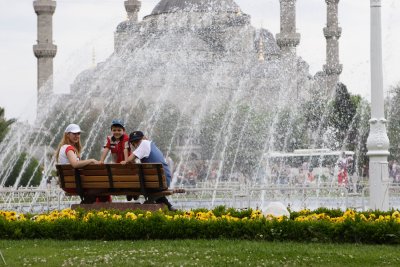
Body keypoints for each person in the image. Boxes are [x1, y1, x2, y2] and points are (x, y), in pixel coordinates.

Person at [121, 131, 176, 211]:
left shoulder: (144, 143)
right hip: (162, 180)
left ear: (143, 138)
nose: (136, 144)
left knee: (134, 181)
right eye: (133, 143)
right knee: (151, 186)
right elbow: (133, 162)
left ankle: (131, 192)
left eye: (137, 141)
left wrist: (126, 149)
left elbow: (128, 160)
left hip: (158, 181)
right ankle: (169, 206)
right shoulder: (150, 144)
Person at [55, 124, 100, 202]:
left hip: (70, 182)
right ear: (67, 135)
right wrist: (91, 160)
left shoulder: (64, 147)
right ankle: (86, 205)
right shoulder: (68, 148)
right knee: (101, 187)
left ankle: (87, 205)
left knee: (99, 187)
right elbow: (75, 164)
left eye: (78, 133)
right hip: (74, 184)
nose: (77, 136)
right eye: (74, 134)